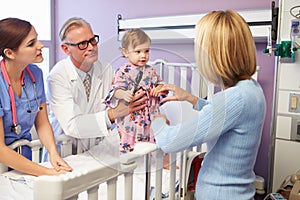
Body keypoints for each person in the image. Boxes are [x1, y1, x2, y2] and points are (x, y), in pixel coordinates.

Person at [151, 10, 266, 199]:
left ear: (213, 55)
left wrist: (156, 118)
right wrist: (192, 99)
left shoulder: (233, 99)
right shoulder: (251, 89)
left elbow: (170, 142)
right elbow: (225, 116)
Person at [46, 18, 147, 156]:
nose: (91, 47)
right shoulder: (58, 76)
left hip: (96, 148)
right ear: (66, 49)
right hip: (65, 150)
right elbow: (72, 125)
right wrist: (115, 113)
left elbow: (116, 104)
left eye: (93, 40)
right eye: (82, 44)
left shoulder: (106, 69)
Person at [0, 18, 72, 176]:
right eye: (31, 43)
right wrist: (46, 172)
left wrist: (53, 154)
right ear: (10, 53)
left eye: (37, 39)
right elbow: (1, 149)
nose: (40, 46)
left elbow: (42, 123)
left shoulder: (35, 75)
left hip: (23, 156)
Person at [105, 28, 166, 152]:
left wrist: (159, 89)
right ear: (126, 52)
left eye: (146, 51)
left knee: (155, 137)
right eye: (138, 51)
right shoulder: (124, 71)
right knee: (129, 140)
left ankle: (159, 160)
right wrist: (124, 94)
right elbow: (115, 89)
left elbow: (161, 85)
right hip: (132, 116)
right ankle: (127, 159)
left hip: (151, 113)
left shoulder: (151, 70)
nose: (143, 55)